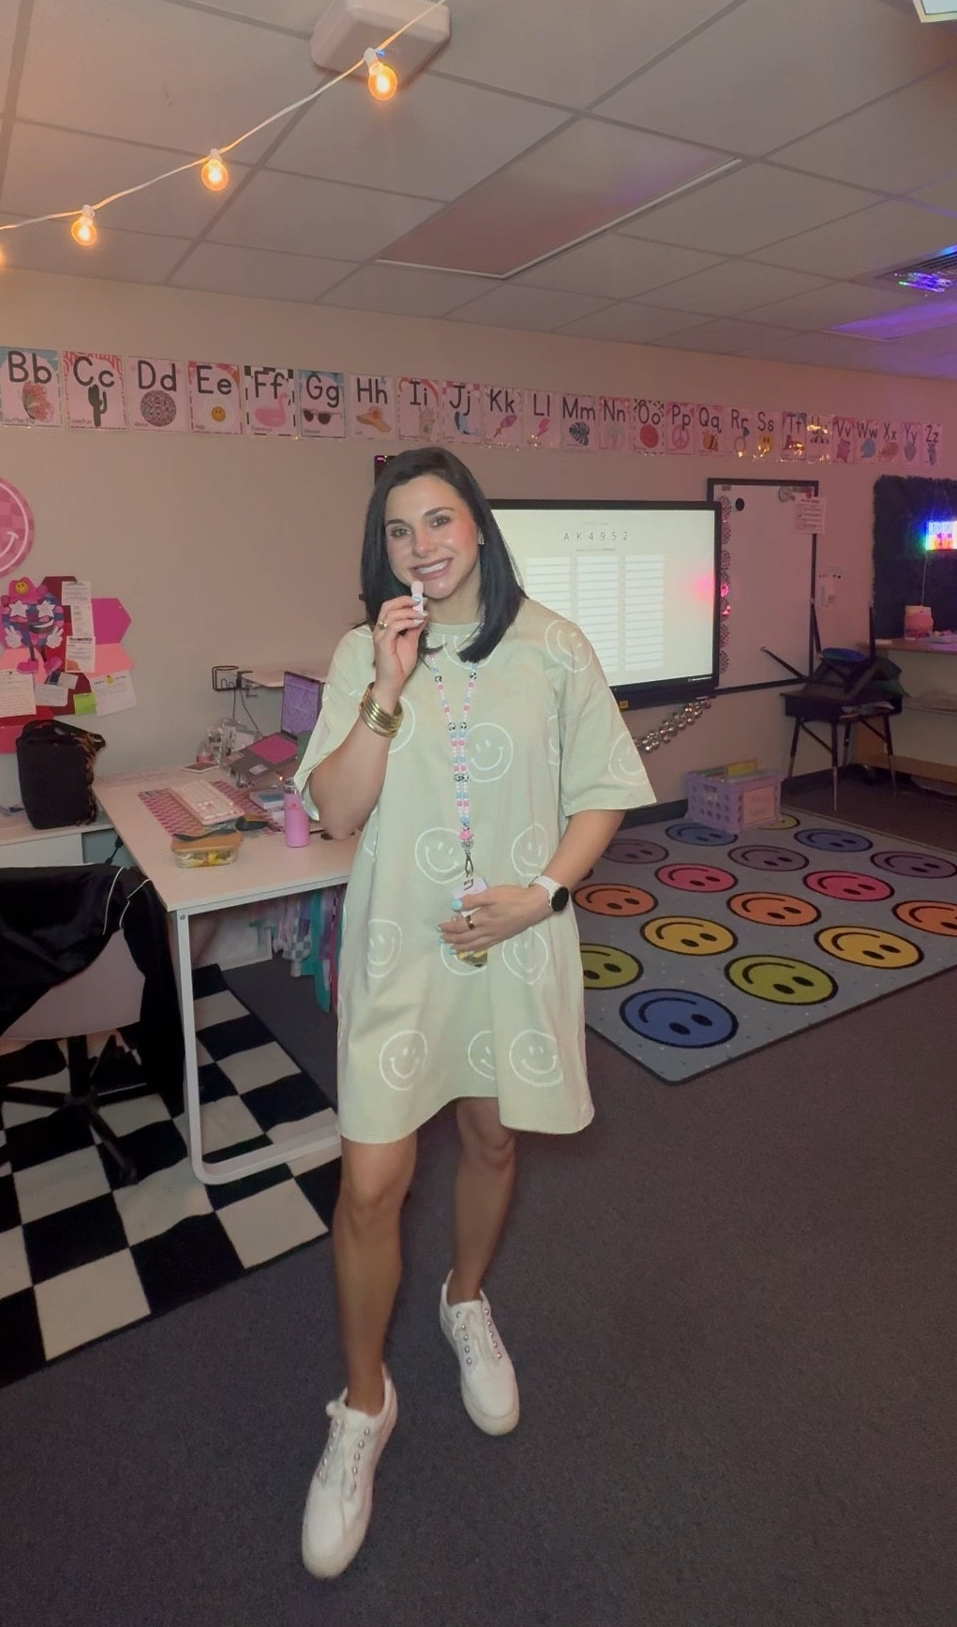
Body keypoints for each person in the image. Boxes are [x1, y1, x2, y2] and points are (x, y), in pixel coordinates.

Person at [294, 446, 655, 1579]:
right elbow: (339, 810)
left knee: (494, 1136)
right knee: (369, 1183)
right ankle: (363, 1408)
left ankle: (464, 1300)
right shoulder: (363, 650)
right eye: (399, 532)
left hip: (513, 945)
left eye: (439, 521)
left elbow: (601, 789)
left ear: (479, 527)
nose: (422, 547)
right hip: (400, 953)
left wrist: (543, 895)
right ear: (382, 550)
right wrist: (387, 691)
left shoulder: (552, 644)